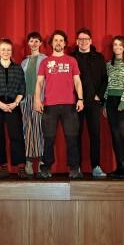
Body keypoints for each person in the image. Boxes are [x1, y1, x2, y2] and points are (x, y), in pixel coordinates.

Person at [34, 30, 85, 179]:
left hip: (69, 104)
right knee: (48, 138)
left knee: (72, 138)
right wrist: (37, 100)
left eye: (61, 40)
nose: (58, 43)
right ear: (51, 44)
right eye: (55, 40)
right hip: (50, 105)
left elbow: (77, 81)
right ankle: (46, 168)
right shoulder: (45, 62)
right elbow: (39, 83)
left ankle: (74, 168)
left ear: (65, 43)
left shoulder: (71, 61)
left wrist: (80, 99)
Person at [0, 39, 27, 177]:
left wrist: (15, 104)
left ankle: (20, 166)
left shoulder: (17, 67)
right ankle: (1, 166)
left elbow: (22, 88)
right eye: (3, 49)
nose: (6, 52)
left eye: (8, 49)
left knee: (17, 135)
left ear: (11, 51)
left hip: (13, 104)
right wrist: (0, 104)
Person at [71, 28, 108, 177]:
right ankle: (77, 167)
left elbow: (105, 78)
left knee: (95, 135)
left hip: (93, 103)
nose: (84, 41)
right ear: (77, 41)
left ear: (91, 41)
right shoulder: (71, 57)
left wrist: (99, 95)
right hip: (76, 103)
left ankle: (96, 166)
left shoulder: (98, 57)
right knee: (75, 135)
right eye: (81, 39)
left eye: (86, 39)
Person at [103, 35, 124, 178]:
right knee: (115, 134)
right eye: (115, 44)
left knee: (123, 132)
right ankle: (119, 166)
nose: (117, 47)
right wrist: (105, 103)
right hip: (111, 100)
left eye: (120, 45)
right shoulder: (108, 64)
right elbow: (106, 85)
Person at [20, 32, 46, 176]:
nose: (34, 43)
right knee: (27, 130)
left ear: (40, 43)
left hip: (39, 98)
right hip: (25, 99)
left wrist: (42, 99)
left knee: (39, 129)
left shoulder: (45, 60)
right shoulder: (25, 62)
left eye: (37, 41)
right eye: (31, 41)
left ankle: (42, 162)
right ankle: (28, 161)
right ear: (28, 43)